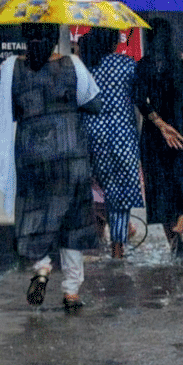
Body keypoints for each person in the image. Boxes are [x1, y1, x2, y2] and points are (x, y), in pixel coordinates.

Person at [0, 22, 103, 311]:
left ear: (25, 37)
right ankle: (71, 292)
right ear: (56, 39)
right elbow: (95, 103)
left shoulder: (10, 68)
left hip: (32, 153)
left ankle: (42, 268)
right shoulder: (73, 64)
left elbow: (4, 111)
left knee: (36, 212)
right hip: (71, 152)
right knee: (74, 223)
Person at [133, 18, 183, 261]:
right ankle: (179, 230)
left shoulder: (144, 66)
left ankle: (173, 242)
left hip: (156, 138)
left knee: (162, 191)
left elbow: (139, 100)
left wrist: (161, 125)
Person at [78, 27, 143, 260]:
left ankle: (94, 245)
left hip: (92, 137)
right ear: (114, 41)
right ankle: (118, 250)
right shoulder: (127, 66)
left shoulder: (85, 68)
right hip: (122, 138)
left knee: (95, 191)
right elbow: (140, 96)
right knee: (121, 196)